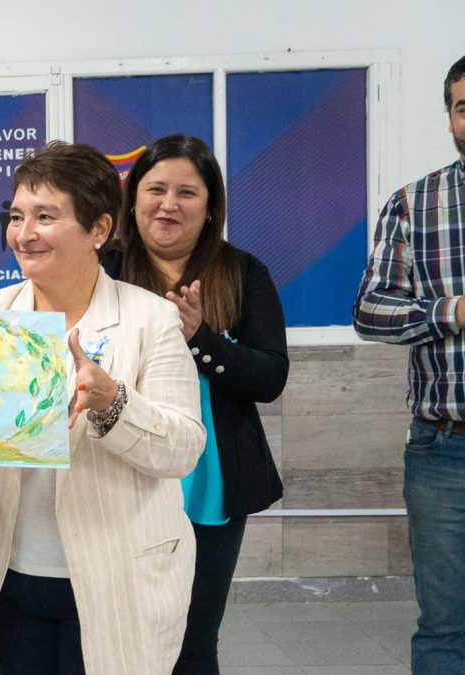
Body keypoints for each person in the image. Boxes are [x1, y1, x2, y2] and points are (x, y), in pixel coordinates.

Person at [0, 141, 206, 674]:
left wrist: (115, 402)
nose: (24, 233)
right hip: (13, 577)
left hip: (119, 577)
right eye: (18, 216)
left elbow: (184, 447)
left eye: (46, 216)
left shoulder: (150, 319)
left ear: (99, 230)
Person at [100, 134, 288, 675]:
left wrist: (201, 336)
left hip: (209, 482)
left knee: (191, 641)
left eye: (187, 192)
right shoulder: (101, 271)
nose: (168, 203)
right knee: (116, 636)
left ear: (209, 209)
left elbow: (270, 376)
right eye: (155, 188)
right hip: (118, 477)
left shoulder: (242, 271)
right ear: (132, 200)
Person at [354, 54, 465, 674]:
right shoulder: (415, 204)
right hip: (447, 452)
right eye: (463, 105)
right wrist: (452, 309)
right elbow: (370, 311)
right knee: (446, 628)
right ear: (450, 116)